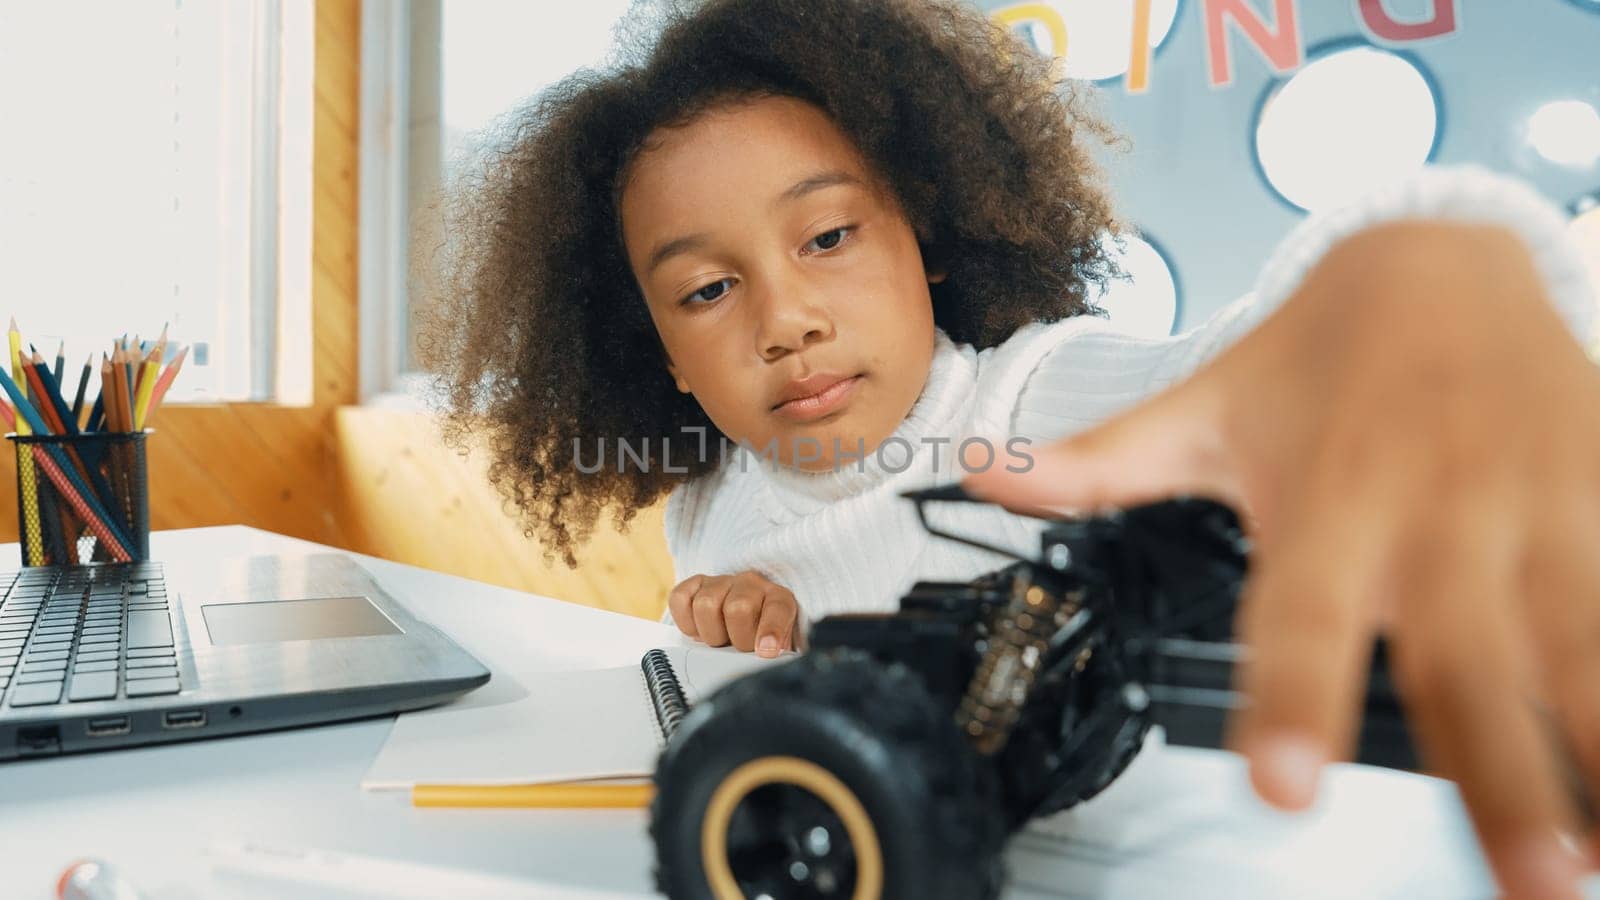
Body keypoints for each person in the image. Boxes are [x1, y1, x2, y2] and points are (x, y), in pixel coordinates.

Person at [420, 1, 1600, 894]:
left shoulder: (1037, 403)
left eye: (828, 235)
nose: (785, 321)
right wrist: (728, 621)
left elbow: (1242, 361)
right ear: (660, 355)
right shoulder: (710, 499)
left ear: (926, 237)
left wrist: (1411, 280)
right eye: (710, 289)